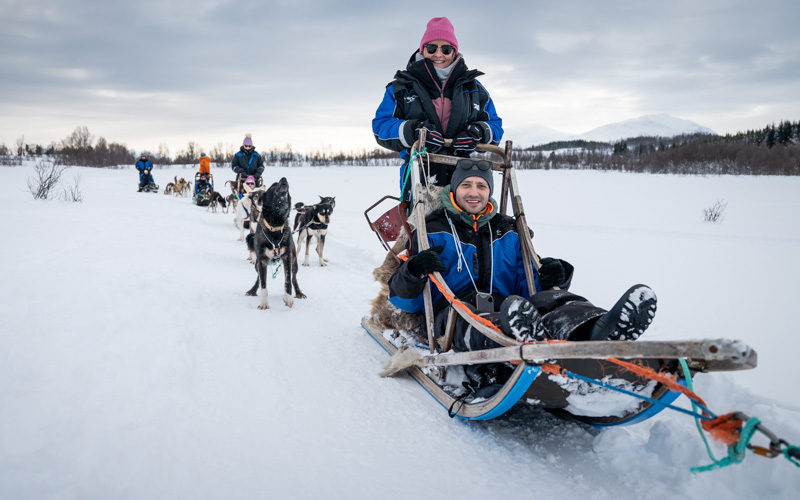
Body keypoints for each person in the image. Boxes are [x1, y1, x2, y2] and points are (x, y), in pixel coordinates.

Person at [387, 159, 658, 352]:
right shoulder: (432, 230)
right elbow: (403, 301)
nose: (474, 192)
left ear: (489, 191)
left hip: (512, 306)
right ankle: (522, 339)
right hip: (451, 312)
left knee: (553, 301)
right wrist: (413, 272)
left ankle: (597, 328)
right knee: (480, 320)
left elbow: (527, 286)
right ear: (454, 190)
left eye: (481, 186)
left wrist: (555, 277)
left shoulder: (509, 230)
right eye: (466, 185)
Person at [372, 17, 504, 194]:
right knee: (423, 220)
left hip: (464, 177)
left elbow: (495, 126)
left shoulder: (475, 90)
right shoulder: (401, 88)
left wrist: (478, 131)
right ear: (423, 49)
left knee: (474, 220)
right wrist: (414, 131)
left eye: (446, 49)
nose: (439, 54)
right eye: (432, 48)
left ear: (454, 52)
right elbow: (381, 127)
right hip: (420, 175)